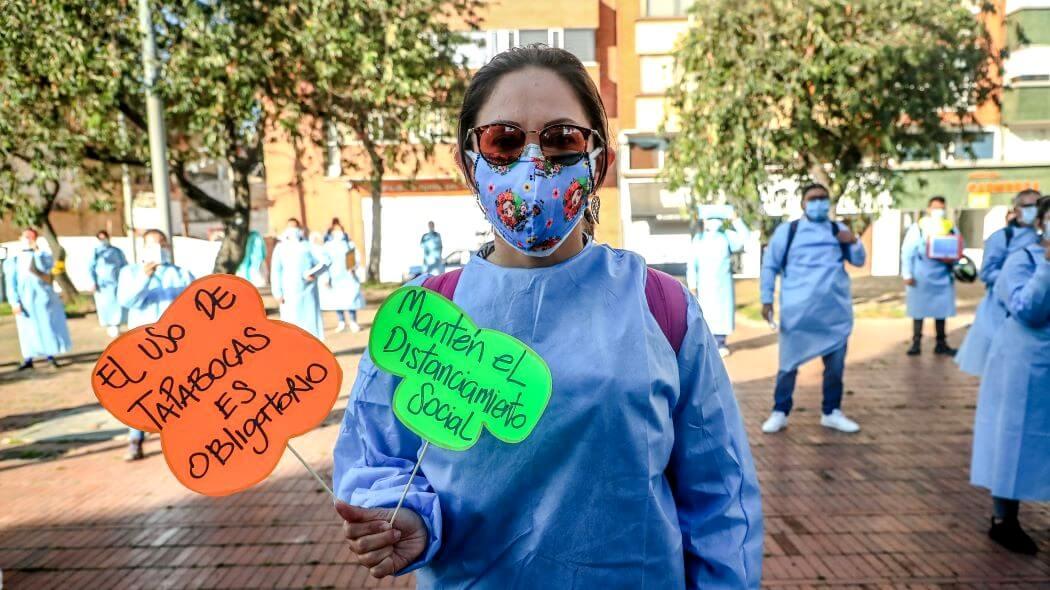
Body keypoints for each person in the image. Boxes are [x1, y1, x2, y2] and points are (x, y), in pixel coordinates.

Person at [333, 46, 762, 587]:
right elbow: (376, 457)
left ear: (598, 160)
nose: (533, 164)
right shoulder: (425, 316)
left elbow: (719, 494)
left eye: (562, 140)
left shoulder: (661, 306)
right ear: (470, 161)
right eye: (504, 141)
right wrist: (410, 518)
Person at [969, 195, 1050, 555]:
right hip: (1024, 362)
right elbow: (1026, 310)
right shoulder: (1023, 259)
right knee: (1014, 436)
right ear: (1040, 224)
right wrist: (1048, 267)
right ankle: (1004, 520)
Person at [759, 184, 866, 434]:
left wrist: (854, 241)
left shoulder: (838, 230)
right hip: (798, 313)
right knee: (788, 365)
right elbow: (770, 266)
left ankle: (832, 412)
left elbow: (859, 260)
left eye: (823, 198)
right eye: (813, 198)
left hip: (833, 313)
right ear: (803, 204)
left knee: (835, 368)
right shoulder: (789, 231)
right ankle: (780, 411)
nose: (818, 203)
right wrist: (766, 299)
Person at [116, 229, 194, 460]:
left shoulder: (182, 274)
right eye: (152, 245)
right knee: (141, 393)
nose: (158, 249)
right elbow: (127, 301)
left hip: (177, 344)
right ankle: (135, 439)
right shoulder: (129, 273)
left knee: (180, 392)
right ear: (143, 248)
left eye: (162, 244)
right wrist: (145, 277)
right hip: (143, 343)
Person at [955, 189, 1041, 375]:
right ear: (1016, 210)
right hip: (1001, 308)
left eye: (1037, 205)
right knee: (997, 365)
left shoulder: (1042, 237)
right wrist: (1012, 279)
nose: (1033, 210)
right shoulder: (1001, 238)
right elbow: (986, 272)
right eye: (1028, 206)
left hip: (1034, 304)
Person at [3, 228, 72, 370]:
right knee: (27, 329)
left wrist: (37, 254)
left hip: (44, 300)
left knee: (47, 327)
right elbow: (11, 283)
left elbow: (48, 274)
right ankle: (28, 359)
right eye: (26, 236)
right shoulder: (14, 260)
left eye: (32, 237)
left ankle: (50, 356)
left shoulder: (43, 256)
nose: (29, 239)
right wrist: (14, 302)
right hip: (25, 301)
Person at [901, 196, 962, 356]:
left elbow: (958, 249)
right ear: (928, 209)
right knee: (918, 311)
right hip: (921, 276)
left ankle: (941, 343)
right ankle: (916, 343)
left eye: (941, 208)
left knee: (941, 311)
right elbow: (907, 252)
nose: (938, 211)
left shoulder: (950, 228)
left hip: (942, 275)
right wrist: (907, 273)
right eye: (935, 208)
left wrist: (955, 265)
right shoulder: (918, 227)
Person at [686, 206, 750, 357]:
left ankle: (721, 343)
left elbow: (745, 237)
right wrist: (692, 284)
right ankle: (708, 343)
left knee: (723, 313)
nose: (714, 223)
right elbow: (691, 264)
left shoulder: (727, 236)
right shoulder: (699, 239)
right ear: (704, 222)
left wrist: (736, 219)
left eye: (717, 219)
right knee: (706, 314)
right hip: (705, 284)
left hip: (723, 284)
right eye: (710, 220)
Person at [270, 218, 326, 340]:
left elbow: (324, 262)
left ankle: (314, 348)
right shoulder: (280, 247)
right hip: (288, 291)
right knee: (291, 323)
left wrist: (314, 274)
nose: (293, 230)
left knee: (310, 322)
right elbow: (276, 270)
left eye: (295, 227)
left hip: (308, 291)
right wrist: (277, 292)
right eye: (290, 227)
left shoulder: (307, 246)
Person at [319, 219, 364, 332]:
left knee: (351, 298)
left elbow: (355, 258)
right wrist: (325, 277)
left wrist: (354, 267)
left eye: (339, 229)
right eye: (335, 229)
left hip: (348, 277)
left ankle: (353, 321)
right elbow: (324, 262)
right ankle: (341, 322)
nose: (337, 232)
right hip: (334, 277)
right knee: (337, 300)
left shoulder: (349, 244)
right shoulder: (327, 246)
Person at [88, 230, 128, 337]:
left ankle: (116, 325)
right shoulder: (96, 252)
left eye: (104, 237)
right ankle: (109, 324)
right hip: (102, 285)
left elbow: (124, 266)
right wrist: (93, 282)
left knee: (116, 305)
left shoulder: (117, 251)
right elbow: (90, 268)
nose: (103, 240)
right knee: (104, 305)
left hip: (116, 283)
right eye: (100, 238)